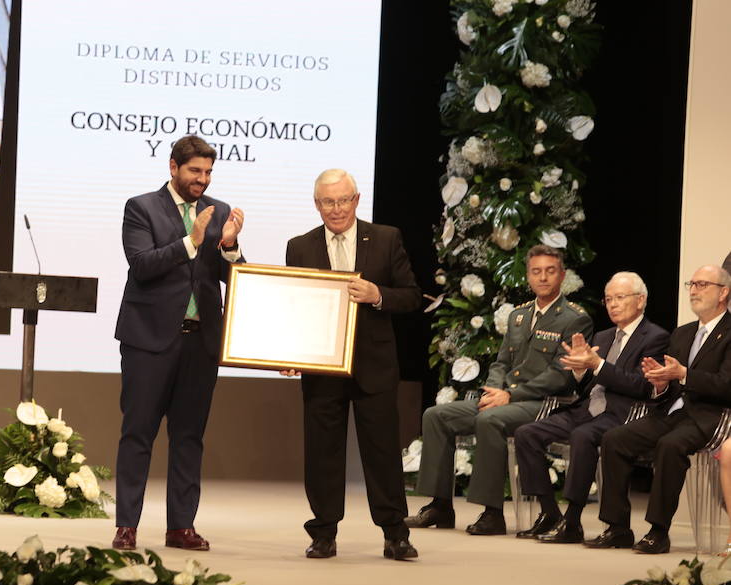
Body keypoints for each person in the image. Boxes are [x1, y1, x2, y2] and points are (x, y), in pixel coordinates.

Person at [112, 135, 244, 551]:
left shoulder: (219, 211)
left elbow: (236, 277)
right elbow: (142, 265)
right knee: (138, 433)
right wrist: (192, 241)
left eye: (207, 173)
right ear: (173, 167)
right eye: (194, 172)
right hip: (149, 341)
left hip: (200, 342)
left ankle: (180, 527)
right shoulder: (141, 207)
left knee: (189, 436)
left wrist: (229, 246)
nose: (201, 180)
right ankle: (127, 525)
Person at [406, 245, 593, 536]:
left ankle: (492, 514)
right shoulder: (518, 316)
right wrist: (493, 388)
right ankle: (440, 505)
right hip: (505, 398)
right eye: (536, 271)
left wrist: (510, 395)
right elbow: (502, 361)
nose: (543, 277)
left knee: (489, 420)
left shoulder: (575, 318)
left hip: (545, 403)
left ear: (562, 275)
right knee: (436, 415)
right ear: (528, 276)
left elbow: (561, 376)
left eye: (550, 271)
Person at [283, 168, 421, 560]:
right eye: (329, 201)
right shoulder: (299, 246)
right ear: (317, 204)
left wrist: (379, 294)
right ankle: (323, 533)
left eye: (344, 200)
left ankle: (396, 534)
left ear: (357, 200)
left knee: (381, 453)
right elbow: (294, 307)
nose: (337, 208)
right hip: (322, 367)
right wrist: (290, 354)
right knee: (322, 453)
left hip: (375, 365)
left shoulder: (385, 238)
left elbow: (411, 296)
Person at [513, 272, 669, 543]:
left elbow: (641, 386)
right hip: (587, 408)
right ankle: (550, 513)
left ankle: (572, 521)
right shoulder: (604, 335)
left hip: (623, 414)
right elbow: (588, 384)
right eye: (608, 299)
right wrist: (578, 370)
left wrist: (596, 364)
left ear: (641, 301)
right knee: (527, 433)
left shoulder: (655, 337)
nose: (613, 305)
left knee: (582, 436)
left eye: (620, 298)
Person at [587, 265, 731, 554]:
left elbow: (726, 385)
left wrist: (683, 374)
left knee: (670, 445)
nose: (694, 290)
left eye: (703, 284)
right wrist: (661, 381)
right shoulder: (683, 333)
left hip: (711, 415)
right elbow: (670, 385)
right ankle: (617, 527)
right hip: (673, 412)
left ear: (723, 292)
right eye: (692, 283)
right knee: (615, 439)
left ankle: (658, 530)